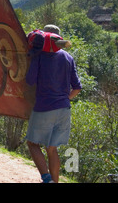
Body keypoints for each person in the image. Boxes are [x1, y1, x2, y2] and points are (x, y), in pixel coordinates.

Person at [25, 24, 82, 183]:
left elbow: (30, 81)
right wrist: (64, 99)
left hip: (44, 107)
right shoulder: (68, 57)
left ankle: (46, 178)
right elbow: (77, 87)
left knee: (32, 143)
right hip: (64, 109)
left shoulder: (40, 56)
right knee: (52, 149)